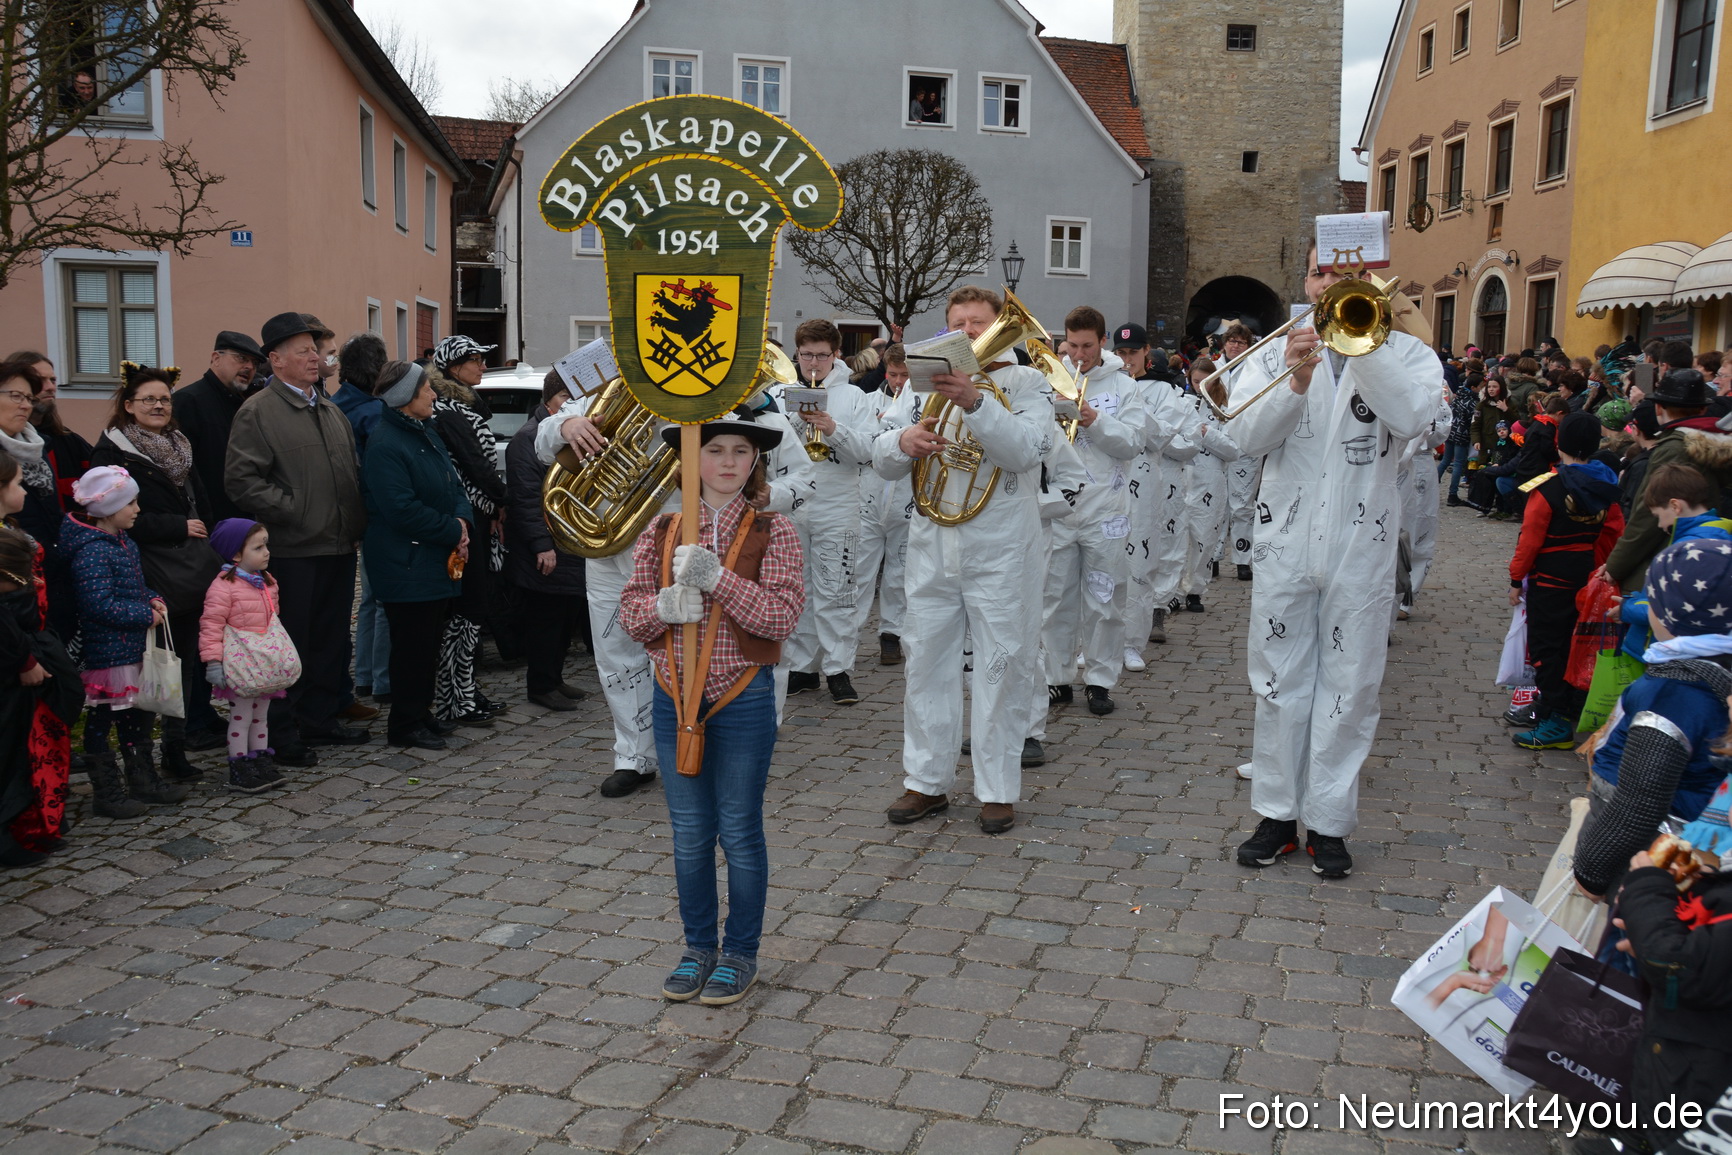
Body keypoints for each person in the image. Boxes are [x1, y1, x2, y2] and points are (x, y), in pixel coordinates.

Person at [1229, 238, 1442, 879]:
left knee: (1351, 688)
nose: (1331, 283)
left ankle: (1328, 823)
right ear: (1307, 279)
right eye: (1322, 272)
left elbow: (1411, 417)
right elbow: (1243, 437)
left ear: (1375, 281)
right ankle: (1275, 814)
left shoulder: (1409, 353)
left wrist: (1364, 346)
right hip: (1285, 543)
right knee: (1276, 683)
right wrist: (1293, 380)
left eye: (1348, 274)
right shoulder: (1274, 350)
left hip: (1363, 548)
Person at [536, 363, 811, 799]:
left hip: (699, 545)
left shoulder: (738, 401)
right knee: (615, 654)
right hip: (609, 541)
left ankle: (748, 737)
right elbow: (545, 435)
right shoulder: (619, 385)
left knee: (737, 642)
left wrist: (769, 496)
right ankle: (634, 756)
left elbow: (805, 477)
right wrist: (566, 424)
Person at [618, 412, 804, 1007]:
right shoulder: (662, 530)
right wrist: (665, 608)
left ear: (755, 463)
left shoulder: (775, 532)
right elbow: (631, 615)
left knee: (740, 829)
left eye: (739, 452)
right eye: (714, 449)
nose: (726, 462)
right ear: (690, 461)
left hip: (742, 694)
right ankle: (698, 947)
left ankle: (740, 952)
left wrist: (718, 579)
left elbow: (780, 618)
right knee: (690, 832)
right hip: (675, 697)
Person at [872, 286, 1055, 835]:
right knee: (925, 662)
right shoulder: (921, 387)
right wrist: (903, 440)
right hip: (933, 544)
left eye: (979, 323)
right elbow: (880, 457)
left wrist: (975, 401)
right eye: (960, 323)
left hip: (1001, 548)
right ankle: (925, 782)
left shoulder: (1028, 383)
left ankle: (997, 789)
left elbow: (1024, 450)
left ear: (1000, 327)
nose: (970, 331)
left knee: (1002, 664)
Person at [224, 313, 369, 764]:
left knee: (330, 641)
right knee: (292, 645)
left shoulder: (327, 409)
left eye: (316, 349)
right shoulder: (258, 411)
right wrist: (296, 512)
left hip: (339, 546)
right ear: (276, 359)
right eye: (304, 350)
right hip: (294, 549)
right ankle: (282, 735)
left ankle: (320, 721)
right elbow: (242, 481)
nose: (315, 357)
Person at [1574, 539, 1732, 904]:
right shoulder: (1718, 671)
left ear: (1672, 613)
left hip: (1649, 857)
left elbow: (1641, 799)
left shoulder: (1671, 691)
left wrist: (1592, 870)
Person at [89, 364, 223, 774]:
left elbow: (200, 503)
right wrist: (176, 526)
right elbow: (109, 515)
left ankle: (177, 750)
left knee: (185, 662)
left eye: (164, 399)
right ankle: (146, 759)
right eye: (148, 399)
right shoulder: (112, 452)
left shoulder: (178, 445)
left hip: (189, 567)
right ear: (128, 405)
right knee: (158, 667)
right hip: (150, 570)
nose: (158, 405)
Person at [62, 466, 188, 815]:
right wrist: (143, 615)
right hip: (108, 654)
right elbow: (98, 604)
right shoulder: (92, 551)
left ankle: (143, 780)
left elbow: (131, 586)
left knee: (139, 718)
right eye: (131, 503)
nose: (137, 510)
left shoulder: (122, 541)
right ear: (108, 508)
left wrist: (150, 596)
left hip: (129, 647)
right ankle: (107, 792)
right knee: (103, 723)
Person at [360, 361, 471, 751]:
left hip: (431, 558)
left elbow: (455, 485)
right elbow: (400, 510)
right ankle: (404, 725)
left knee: (427, 645)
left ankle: (421, 713)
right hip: (404, 562)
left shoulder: (425, 433)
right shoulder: (386, 443)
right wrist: (453, 530)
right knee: (410, 648)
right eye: (427, 389)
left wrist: (462, 520)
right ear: (407, 397)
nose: (435, 395)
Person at [1041, 306, 1147, 715]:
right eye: (1072, 345)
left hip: (1106, 508)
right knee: (1056, 598)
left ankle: (1100, 680)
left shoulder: (1124, 386)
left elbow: (1134, 443)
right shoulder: (1050, 380)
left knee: (1105, 599)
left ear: (1103, 342)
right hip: (1059, 507)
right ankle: (1057, 677)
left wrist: (1093, 419)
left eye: (1088, 346)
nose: (1079, 354)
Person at [1505, 412, 1626, 750]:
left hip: (1550, 582)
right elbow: (1614, 535)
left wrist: (1516, 579)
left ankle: (1555, 721)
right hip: (1588, 580)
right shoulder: (1606, 487)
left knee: (1546, 650)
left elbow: (1529, 540)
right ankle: (1566, 706)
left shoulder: (1547, 487)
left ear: (1559, 444)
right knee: (1576, 645)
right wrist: (1601, 573)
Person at [779, 319, 875, 705]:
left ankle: (838, 669)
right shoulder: (783, 391)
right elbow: (773, 452)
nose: (813, 363)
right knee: (797, 588)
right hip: (793, 503)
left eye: (821, 355)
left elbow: (869, 451)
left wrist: (832, 427)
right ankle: (803, 668)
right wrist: (794, 423)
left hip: (838, 503)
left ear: (836, 355)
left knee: (837, 589)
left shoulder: (854, 397)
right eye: (806, 355)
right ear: (797, 354)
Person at [428, 336, 509, 727]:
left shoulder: (458, 408)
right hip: (467, 521)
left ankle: (463, 690)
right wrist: (502, 499)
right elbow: (477, 468)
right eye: (474, 360)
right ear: (453, 368)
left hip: (475, 516)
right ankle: (455, 697)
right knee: (465, 611)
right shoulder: (450, 412)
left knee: (469, 611)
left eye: (482, 359)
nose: (481, 366)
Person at [0, 462, 79, 858]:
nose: (25, 491)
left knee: (36, 739)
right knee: (13, 746)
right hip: (15, 656)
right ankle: (13, 832)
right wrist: (25, 658)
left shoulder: (9, 530)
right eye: (16, 483)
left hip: (32, 642)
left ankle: (39, 819)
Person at [1600, 370, 1732, 594]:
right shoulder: (1713, 444)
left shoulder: (1673, 449)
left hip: (1664, 560)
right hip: (1701, 556)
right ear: (1702, 409)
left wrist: (1616, 565)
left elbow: (1647, 513)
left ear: (1659, 408)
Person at [505, 371, 588, 712]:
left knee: (563, 620)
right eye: (565, 402)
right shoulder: (527, 439)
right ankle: (540, 685)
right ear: (550, 400)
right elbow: (524, 500)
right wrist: (542, 545)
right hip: (546, 547)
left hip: (566, 543)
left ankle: (554, 679)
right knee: (545, 622)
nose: (571, 410)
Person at [199, 519, 292, 794]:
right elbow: (210, 626)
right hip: (239, 665)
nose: (266, 552)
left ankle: (261, 758)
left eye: (266, 545)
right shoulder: (222, 588)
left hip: (262, 664)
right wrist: (214, 662)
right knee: (240, 717)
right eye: (258, 547)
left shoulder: (267, 583)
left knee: (261, 716)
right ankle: (239, 766)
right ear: (236, 554)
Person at [333, 334, 391, 706]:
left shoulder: (336, 404)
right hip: (374, 514)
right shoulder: (372, 411)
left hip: (352, 512)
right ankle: (382, 680)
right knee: (382, 599)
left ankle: (367, 677)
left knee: (369, 601)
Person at [853, 345, 914, 667]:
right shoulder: (867, 402)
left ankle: (891, 634)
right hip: (869, 500)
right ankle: (847, 635)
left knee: (898, 574)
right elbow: (858, 445)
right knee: (859, 572)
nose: (899, 382)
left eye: (905, 375)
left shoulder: (920, 405)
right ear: (885, 371)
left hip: (906, 502)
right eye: (893, 374)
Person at [171, 331, 264, 523]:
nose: (249, 367)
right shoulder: (189, 401)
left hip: (242, 516)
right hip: (208, 519)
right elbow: (182, 469)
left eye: (254, 363)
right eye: (241, 358)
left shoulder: (245, 404)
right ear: (216, 358)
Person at [1174, 358, 1238, 615]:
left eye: (1205, 382)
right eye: (1195, 381)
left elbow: (1234, 450)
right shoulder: (1180, 404)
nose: (1200, 387)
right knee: (1177, 538)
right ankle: (1173, 590)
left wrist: (1207, 434)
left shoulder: (1225, 408)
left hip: (1211, 479)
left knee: (1203, 538)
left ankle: (1195, 589)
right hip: (1182, 476)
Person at [7, 351, 92, 517]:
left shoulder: (69, 441)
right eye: (40, 381)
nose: (51, 387)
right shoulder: (8, 445)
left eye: (52, 380)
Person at [1216, 325, 1264, 583]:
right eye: (1232, 342)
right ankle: (1212, 557)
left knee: (1242, 505)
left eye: (1241, 343)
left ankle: (1242, 560)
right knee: (1215, 504)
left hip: (1245, 443)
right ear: (1224, 344)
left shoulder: (1257, 369)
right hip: (1215, 441)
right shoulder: (1211, 368)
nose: (1235, 346)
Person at [1440, 371, 1477, 506]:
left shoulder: (1458, 396)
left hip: (1451, 431)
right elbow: (1472, 421)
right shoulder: (1472, 402)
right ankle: (1452, 494)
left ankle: (1430, 486)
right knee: (1458, 464)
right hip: (1462, 434)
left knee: (1445, 461)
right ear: (1474, 387)